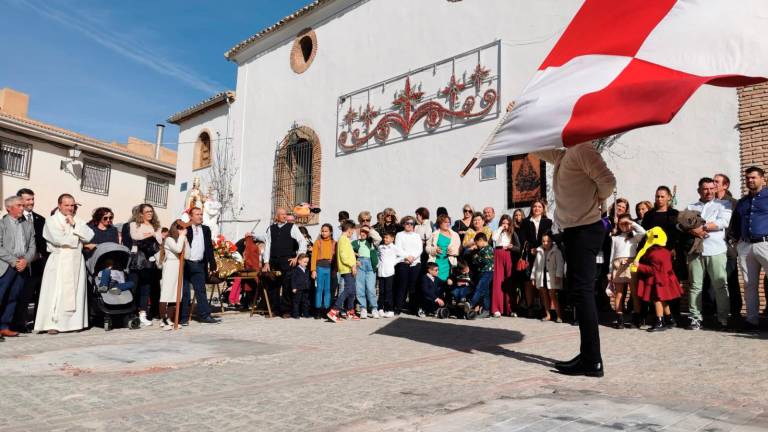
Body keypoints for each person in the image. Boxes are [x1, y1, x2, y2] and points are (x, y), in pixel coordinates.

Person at [535, 140, 616, 378]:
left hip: (585, 230)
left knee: (583, 293)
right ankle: (588, 355)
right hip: (574, 231)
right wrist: (518, 121)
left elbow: (608, 182)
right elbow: (536, 146)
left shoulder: (583, 149)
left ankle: (592, 361)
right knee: (579, 293)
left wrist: (595, 198)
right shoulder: (565, 154)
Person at [34, 194, 94, 334]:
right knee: (55, 291)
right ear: (59, 205)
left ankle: (73, 324)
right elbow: (58, 239)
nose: (70, 208)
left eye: (72, 205)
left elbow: (90, 235)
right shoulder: (51, 220)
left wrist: (74, 225)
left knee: (75, 292)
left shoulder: (78, 220)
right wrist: (77, 238)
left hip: (76, 261)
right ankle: (52, 324)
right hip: (59, 259)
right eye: (66, 205)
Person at [685, 177, 732, 330]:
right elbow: (682, 224)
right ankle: (695, 318)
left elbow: (723, 222)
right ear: (699, 190)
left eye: (712, 188)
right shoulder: (691, 206)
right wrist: (693, 230)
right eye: (705, 189)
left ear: (716, 189)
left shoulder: (723, 204)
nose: (709, 191)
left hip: (716, 249)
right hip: (695, 251)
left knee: (720, 285)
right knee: (695, 286)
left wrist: (701, 227)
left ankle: (723, 319)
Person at [730, 166, 768, 332]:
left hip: (765, 243)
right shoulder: (742, 202)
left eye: (753, 177)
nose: (750, 180)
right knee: (749, 284)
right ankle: (752, 321)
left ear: (762, 178)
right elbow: (736, 222)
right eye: (747, 178)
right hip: (746, 246)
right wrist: (736, 240)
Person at [633, 227, 684, 332]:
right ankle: (670, 319)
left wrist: (639, 266)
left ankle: (660, 322)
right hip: (665, 279)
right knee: (663, 300)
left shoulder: (654, 253)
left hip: (658, 280)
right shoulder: (665, 251)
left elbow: (653, 270)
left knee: (657, 299)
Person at [0, 196, 36, 338]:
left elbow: (32, 246)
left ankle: (4, 326)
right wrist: (14, 261)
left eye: (23, 205)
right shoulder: (2, 224)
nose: (23, 208)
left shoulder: (28, 224)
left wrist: (26, 261)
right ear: (9, 208)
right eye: (19, 205)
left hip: (23, 266)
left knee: (13, 297)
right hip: (6, 265)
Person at [262, 208, 307, 317]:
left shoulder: (292, 227)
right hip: (274, 261)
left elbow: (302, 241)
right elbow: (267, 246)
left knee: (287, 286)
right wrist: (266, 262)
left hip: (287, 261)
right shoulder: (271, 229)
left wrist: (297, 257)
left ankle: (286, 311)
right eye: (282, 214)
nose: (284, 216)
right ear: (276, 216)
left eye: (285, 214)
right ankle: (274, 310)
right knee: (273, 286)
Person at [14, 188, 47, 333]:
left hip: (38, 264)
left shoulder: (41, 219)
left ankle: (37, 324)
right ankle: (17, 323)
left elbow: (44, 243)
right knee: (20, 296)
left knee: (38, 294)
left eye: (32, 199)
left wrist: (39, 255)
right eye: (28, 199)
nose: (31, 202)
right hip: (20, 264)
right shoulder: (13, 218)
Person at [181, 207, 219, 325]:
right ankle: (183, 317)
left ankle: (205, 315)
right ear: (191, 217)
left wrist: (212, 264)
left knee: (200, 290)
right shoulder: (185, 228)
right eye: (197, 214)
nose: (200, 216)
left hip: (199, 264)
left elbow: (209, 248)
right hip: (186, 264)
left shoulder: (206, 229)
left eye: (201, 214)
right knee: (185, 292)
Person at [608, 214, 646, 328]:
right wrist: (610, 271)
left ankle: (637, 319)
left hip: (631, 265)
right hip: (618, 265)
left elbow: (643, 232)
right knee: (619, 293)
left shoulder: (634, 237)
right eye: (621, 223)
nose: (624, 226)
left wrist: (632, 223)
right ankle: (620, 319)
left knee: (634, 293)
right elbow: (612, 255)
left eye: (626, 223)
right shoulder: (615, 238)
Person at [714, 173, 743, 322]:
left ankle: (736, 313)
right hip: (711, 248)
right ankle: (715, 313)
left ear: (725, 185)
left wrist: (732, 240)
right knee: (713, 281)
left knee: (731, 280)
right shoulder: (709, 203)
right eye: (713, 181)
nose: (714, 184)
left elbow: (738, 223)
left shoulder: (733, 203)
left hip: (727, 247)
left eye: (717, 182)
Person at [130, 204, 163, 326]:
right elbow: (135, 236)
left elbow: (159, 241)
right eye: (147, 211)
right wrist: (152, 234)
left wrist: (151, 235)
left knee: (146, 287)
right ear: (141, 213)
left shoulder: (156, 226)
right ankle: (131, 312)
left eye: (151, 211)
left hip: (149, 261)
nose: (150, 213)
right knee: (134, 286)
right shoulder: (134, 224)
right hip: (137, 259)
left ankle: (143, 313)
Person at [519, 200, 553, 317]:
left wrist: (540, 248)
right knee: (528, 281)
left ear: (543, 209)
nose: (537, 208)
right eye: (535, 206)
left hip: (543, 254)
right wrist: (530, 249)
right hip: (529, 255)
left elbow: (549, 236)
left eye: (539, 206)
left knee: (542, 281)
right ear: (531, 208)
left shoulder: (548, 222)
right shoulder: (525, 222)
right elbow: (522, 238)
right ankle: (530, 307)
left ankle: (545, 308)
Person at [326, 220, 359, 322]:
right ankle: (334, 310)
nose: (353, 233)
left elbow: (347, 254)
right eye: (353, 231)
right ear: (349, 230)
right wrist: (352, 265)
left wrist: (355, 261)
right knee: (348, 290)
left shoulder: (344, 240)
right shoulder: (343, 240)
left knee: (352, 291)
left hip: (349, 267)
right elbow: (343, 256)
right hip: (347, 269)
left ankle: (350, 311)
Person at [159, 220, 189, 329]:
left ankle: (169, 319)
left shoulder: (180, 239)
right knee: (166, 293)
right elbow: (178, 249)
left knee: (174, 294)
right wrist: (182, 237)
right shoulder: (168, 239)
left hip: (179, 267)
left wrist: (185, 239)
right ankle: (162, 320)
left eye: (183, 229)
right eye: (179, 229)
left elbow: (187, 255)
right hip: (170, 266)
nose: (182, 231)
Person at [491, 214, 521, 318]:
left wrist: (512, 247)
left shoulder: (513, 233)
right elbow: (493, 238)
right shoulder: (497, 232)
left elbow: (518, 248)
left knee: (509, 282)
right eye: (503, 223)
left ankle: (511, 309)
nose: (505, 225)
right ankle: (497, 309)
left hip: (508, 255)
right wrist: (500, 228)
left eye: (507, 223)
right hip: (498, 254)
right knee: (497, 281)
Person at [531, 233, 564, 323]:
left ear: (551, 241)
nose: (545, 243)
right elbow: (535, 264)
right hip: (542, 276)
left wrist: (558, 275)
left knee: (553, 295)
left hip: (552, 276)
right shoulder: (539, 251)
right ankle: (548, 315)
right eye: (543, 241)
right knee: (544, 295)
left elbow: (560, 264)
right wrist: (533, 277)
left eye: (548, 241)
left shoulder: (556, 251)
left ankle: (559, 316)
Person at [394, 216, 423, 315]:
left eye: (411, 223)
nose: (409, 225)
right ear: (403, 224)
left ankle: (413, 308)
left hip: (415, 262)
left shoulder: (417, 236)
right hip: (403, 261)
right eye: (407, 223)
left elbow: (420, 249)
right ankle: (398, 307)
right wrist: (407, 257)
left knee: (413, 286)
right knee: (402, 285)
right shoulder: (399, 235)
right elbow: (398, 248)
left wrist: (413, 257)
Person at [353, 226, 379, 318]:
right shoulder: (356, 242)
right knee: (360, 287)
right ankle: (363, 308)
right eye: (361, 231)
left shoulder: (371, 242)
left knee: (371, 288)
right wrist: (355, 258)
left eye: (365, 232)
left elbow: (378, 238)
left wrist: (370, 230)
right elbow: (348, 251)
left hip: (371, 265)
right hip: (360, 265)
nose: (363, 233)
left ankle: (374, 308)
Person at [426, 215, 460, 282]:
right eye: (445, 222)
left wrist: (453, 251)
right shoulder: (434, 234)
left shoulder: (455, 235)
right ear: (440, 223)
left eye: (448, 222)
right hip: (436, 262)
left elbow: (458, 249)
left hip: (448, 262)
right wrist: (434, 250)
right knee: (436, 283)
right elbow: (427, 248)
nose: (447, 224)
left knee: (447, 283)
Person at [311, 224, 335, 319]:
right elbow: (313, 257)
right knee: (319, 289)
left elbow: (336, 257)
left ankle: (326, 310)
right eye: (323, 231)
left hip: (329, 269)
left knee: (328, 290)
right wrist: (313, 270)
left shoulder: (334, 243)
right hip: (319, 268)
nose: (324, 233)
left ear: (330, 232)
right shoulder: (318, 242)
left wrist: (335, 269)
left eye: (326, 231)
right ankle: (317, 310)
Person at [377, 231, 403, 318]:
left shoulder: (394, 248)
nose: (385, 239)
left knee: (388, 291)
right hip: (381, 272)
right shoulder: (381, 247)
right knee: (381, 291)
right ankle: (380, 308)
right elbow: (378, 256)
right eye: (384, 237)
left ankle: (390, 309)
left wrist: (393, 263)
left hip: (389, 272)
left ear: (392, 239)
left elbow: (401, 256)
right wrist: (378, 264)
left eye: (387, 237)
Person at [469, 232, 493, 318]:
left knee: (479, 287)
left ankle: (471, 304)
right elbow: (475, 262)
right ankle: (486, 310)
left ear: (481, 240)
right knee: (485, 292)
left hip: (488, 272)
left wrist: (476, 256)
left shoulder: (488, 249)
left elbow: (485, 261)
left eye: (477, 243)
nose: (477, 245)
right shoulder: (481, 250)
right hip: (482, 272)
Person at [290, 254, 311, 319]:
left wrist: (308, 285)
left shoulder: (307, 270)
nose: (306, 264)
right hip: (298, 288)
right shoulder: (295, 270)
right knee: (296, 302)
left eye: (307, 262)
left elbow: (308, 279)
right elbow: (293, 279)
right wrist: (294, 287)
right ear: (299, 261)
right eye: (304, 262)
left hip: (305, 288)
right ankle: (295, 314)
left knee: (305, 302)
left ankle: (305, 313)